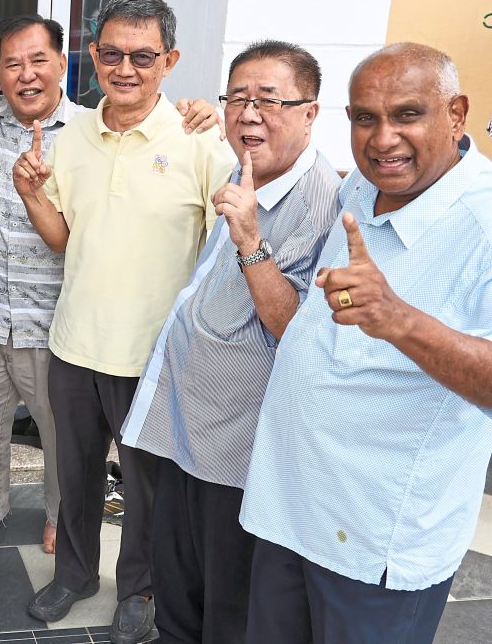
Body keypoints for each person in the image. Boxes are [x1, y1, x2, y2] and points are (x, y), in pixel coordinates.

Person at [239, 43, 492, 644]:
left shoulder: (482, 222)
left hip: (376, 542)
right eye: (365, 118)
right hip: (293, 505)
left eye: (408, 115)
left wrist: (397, 319)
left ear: (456, 114)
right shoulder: (364, 188)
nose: (383, 140)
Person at [15, 0, 233, 642]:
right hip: (75, 343)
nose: (126, 68)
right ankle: (75, 574)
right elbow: (63, 237)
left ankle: (138, 590)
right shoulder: (73, 132)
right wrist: (31, 194)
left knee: (147, 495)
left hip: (155, 355)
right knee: (74, 479)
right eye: (112, 53)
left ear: (169, 61)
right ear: (94, 56)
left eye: (143, 56)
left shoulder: (200, 142)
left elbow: (224, 255)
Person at [119, 40, 341, 643]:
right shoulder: (243, 165)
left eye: (269, 100)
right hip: (191, 431)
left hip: (241, 450)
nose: (249, 113)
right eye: (238, 97)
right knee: (177, 589)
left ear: (310, 112)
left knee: (227, 605)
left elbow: (294, 326)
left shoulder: (321, 200)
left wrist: (248, 237)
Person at [0, 15, 78, 559]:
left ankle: (61, 515)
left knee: (64, 437)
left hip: (55, 325)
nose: (26, 75)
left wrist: (198, 115)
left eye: (38, 61)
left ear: (61, 65)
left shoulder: (93, 133)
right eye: (12, 64)